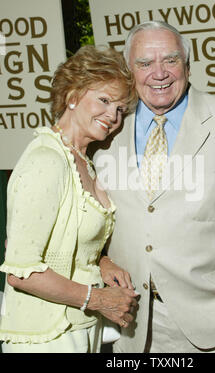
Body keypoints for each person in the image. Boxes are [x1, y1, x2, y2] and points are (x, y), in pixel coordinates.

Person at [95, 21, 215, 353]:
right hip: (137, 328)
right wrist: (101, 262)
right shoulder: (104, 131)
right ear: (129, 70)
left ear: (187, 64)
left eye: (170, 60)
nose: (159, 73)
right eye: (144, 63)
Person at [0, 45, 139, 353]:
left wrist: (103, 262)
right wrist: (101, 299)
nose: (112, 116)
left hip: (80, 329)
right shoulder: (46, 160)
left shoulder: (82, 161)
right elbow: (21, 273)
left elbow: (68, 246)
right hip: (44, 337)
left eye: (119, 109)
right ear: (73, 96)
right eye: (104, 100)